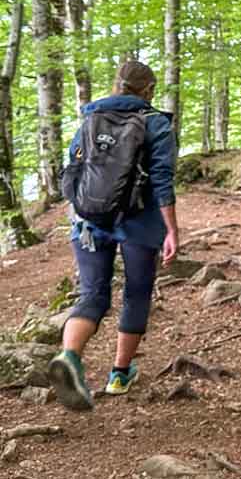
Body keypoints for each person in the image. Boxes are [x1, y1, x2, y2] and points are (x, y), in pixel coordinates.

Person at [47, 60, 179, 410]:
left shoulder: (91, 117)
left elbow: (71, 167)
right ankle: (120, 374)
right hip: (140, 221)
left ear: (117, 85)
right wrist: (171, 229)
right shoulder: (156, 124)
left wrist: (80, 209)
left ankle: (70, 356)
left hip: (88, 219)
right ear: (149, 90)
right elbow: (163, 179)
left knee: (92, 294)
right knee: (136, 293)